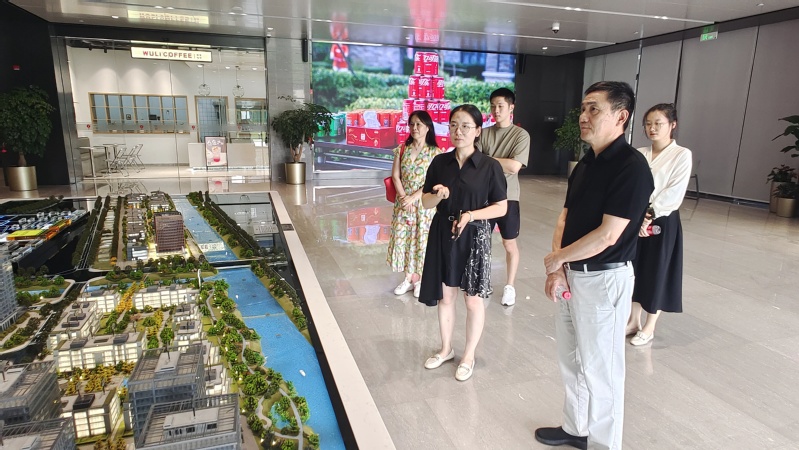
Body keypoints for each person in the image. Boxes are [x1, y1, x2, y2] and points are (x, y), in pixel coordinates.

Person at [537, 81, 654, 450]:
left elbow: (608, 235)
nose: (583, 117)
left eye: (594, 109)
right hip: (572, 275)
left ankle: (605, 444)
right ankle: (576, 428)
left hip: (604, 281)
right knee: (571, 360)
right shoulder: (586, 163)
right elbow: (565, 218)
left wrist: (559, 258)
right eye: (583, 108)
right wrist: (557, 269)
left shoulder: (631, 167)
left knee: (602, 372)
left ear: (621, 116)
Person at [418, 104, 507, 382]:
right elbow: (425, 202)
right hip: (443, 233)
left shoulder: (489, 166)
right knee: (446, 296)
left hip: (474, 236)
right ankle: (446, 349)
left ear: (478, 131)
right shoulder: (440, 163)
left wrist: (470, 215)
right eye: (454, 125)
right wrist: (439, 195)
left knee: (472, 301)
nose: (458, 131)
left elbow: (501, 207)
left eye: (466, 126)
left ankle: (468, 355)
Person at [626, 103, 692, 346]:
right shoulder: (639, 153)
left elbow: (674, 192)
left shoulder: (681, 155)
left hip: (662, 219)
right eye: (648, 124)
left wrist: (649, 215)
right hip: (636, 219)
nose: (652, 128)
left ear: (672, 125)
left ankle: (650, 325)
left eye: (658, 123)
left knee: (657, 269)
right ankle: (633, 320)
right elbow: (632, 186)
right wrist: (637, 217)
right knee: (634, 268)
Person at [479, 88, 531, 306]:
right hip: (484, 197)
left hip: (509, 196)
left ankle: (510, 286)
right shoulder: (483, 133)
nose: (496, 110)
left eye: (500, 106)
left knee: (509, 243)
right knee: (482, 242)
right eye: (492, 106)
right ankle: (483, 280)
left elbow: (514, 167)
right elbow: (474, 162)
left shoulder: (521, 135)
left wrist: (486, 159)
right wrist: (498, 162)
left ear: (511, 107)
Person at [387, 110, 442, 298]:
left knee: (421, 241)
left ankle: (419, 280)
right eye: (411, 124)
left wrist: (413, 198)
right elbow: (396, 176)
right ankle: (407, 278)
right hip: (403, 204)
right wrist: (404, 198)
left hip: (424, 204)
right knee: (404, 239)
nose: (415, 128)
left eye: (419, 124)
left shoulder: (435, 152)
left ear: (428, 127)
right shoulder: (402, 149)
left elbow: (433, 182)